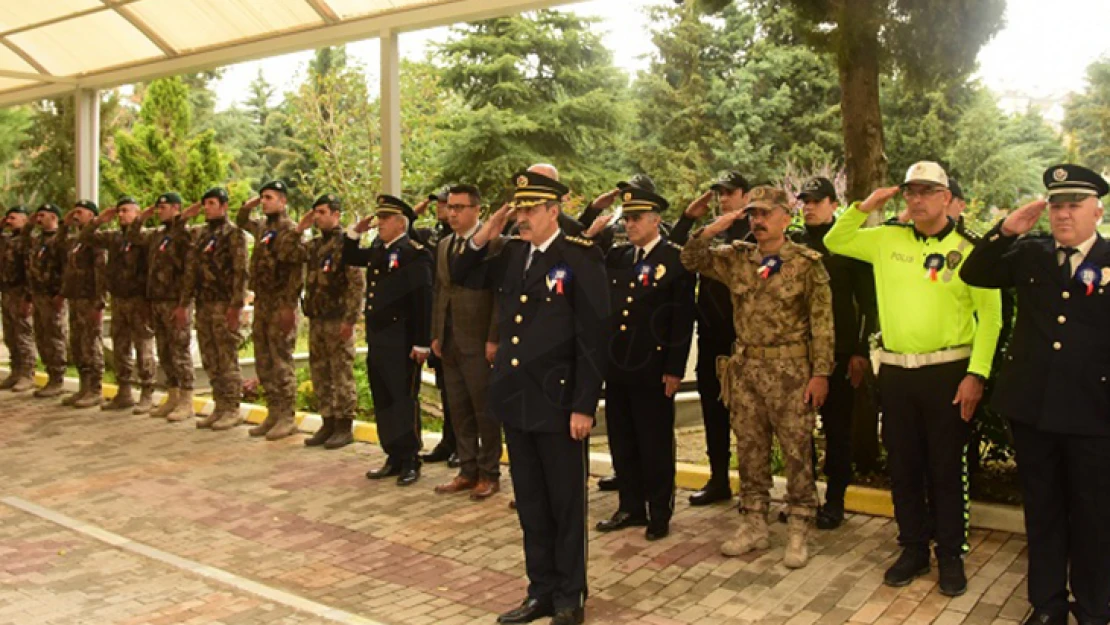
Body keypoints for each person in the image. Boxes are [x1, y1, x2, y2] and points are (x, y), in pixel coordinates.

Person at [824, 161, 1002, 596]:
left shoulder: (971, 249)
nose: (917, 199)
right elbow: (836, 239)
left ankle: (951, 555)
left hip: (949, 373)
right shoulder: (887, 239)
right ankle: (913, 549)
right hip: (899, 373)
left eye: (927, 191)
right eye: (911, 191)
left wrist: (976, 374)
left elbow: (992, 320)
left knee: (946, 468)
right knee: (903, 466)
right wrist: (866, 206)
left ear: (946, 197)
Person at [453, 170, 608, 625]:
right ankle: (539, 590)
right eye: (517, 208)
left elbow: (594, 337)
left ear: (553, 211)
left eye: (529, 210)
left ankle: (569, 596)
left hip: (559, 404)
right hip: (517, 399)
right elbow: (463, 270)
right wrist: (493, 225)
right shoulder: (513, 253)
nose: (522, 217)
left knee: (565, 504)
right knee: (533, 504)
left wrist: (584, 404)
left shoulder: (580, 257)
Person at [960, 164, 1110, 625]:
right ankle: (1046, 606)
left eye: (1074, 205)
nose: (1064, 214)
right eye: (1057, 205)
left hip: (1093, 413)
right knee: (1042, 512)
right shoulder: (1031, 254)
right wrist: (1005, 230)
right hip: (1033, 409)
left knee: (1093, 517)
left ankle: (1093, 607)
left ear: (1097, 210)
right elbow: (975, 273)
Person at [681, 185, 834, 568]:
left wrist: (822, 374)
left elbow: (823, 325)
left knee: (797, 450)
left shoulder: (805, 262)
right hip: (747, 369)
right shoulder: (738, 259)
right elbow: (689, 258)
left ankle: (799, 525)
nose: (758, 221)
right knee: (749, 448)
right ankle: (754, 523)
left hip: (791, 371)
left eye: (765, 213)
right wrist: (713, 228)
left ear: (786, 217)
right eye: (753, 215)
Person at [591, 185, 695, 542]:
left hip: (653, 368)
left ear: (656, 219)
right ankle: (630, 506)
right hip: (619, 366)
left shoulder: (674, 259)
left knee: (654, 443)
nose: (630, 224)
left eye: (636, 218)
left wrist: (674, 369)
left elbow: (681, 320)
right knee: (623, 441)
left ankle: (659, 511)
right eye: (627, 218)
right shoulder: (619, 257)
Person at [795, 177, 879, 529]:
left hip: (840, 351)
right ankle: (803, 497)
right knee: (796, 430)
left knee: (837, 429)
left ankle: (835, 500)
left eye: (816, 201)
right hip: (798, 351)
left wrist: (860, 351)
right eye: (805, 201)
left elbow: (868, 302)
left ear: (833, 203)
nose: (809, 207)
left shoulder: (848, 245)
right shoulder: (794, 242)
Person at [670, 171, 753, 505]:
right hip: (710, 337)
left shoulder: (754, 231)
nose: (723, 199)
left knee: (749, 417)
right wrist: (691, 219)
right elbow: (675, 254)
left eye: (730, 193)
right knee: (713, 410)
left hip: (743, 340)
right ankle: (719, 478)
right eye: (719, 193)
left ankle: (753, 485)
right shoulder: (708, 235)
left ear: (746, 196)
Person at [343, 194, 432, 487]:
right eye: (378, 218)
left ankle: (410, 458)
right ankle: (392, 454)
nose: (379, 223)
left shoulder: (414, 252)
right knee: (383, 398)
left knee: (403, 399)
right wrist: (355, 232)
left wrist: (422, 342)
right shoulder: (381, 248)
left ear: (399, 222)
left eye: (384, 218)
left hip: (403, 341)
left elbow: (422, 301)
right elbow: (351, 256)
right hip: (379, 339)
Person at [430, 183, 503, 500]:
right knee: (458, 409)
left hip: (478, 341)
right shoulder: (445, 244)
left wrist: (493, 338)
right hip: (450, 341)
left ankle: (489, 473)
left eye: (460, 207)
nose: (453, 213)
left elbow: (499, 298)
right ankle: (467, 469)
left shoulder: (495, 245)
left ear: (477, 210)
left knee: (484, 410)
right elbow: (440, 292)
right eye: (450, 207)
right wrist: (436, 333)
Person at [236, 180, 305, 440]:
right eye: (262, 197)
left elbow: (297, 271)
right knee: (263, 360)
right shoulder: (264, 226)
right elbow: (242, 221)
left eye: (269, 197)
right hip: (263, 302)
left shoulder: (290, 229)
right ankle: (273, 412)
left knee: (280, 360)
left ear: (283, 201)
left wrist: (289, 305)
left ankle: (287, 416)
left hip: (280, 304)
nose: (264, 202)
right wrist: (248, 205)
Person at [177, 187, 250, 431]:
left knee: (226, 356)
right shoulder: (201, 234)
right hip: (204, 303)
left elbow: (241, 272)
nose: (207, 207)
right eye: (205, 203)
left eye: (211, 203)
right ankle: (219, 405)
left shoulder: (234, 234)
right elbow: (189, 265)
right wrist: (184, 302)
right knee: (210, 356)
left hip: (223, 303)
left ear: (224, 206)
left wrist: (236, 306)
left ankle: (232, 408)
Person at [297, 194, 365, 449]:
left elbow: (356, 285)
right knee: (320, 372)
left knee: (341, 372)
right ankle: (327, 421)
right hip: (317, 319)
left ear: (336, 214)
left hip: (338, 319)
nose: (317, 217)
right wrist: (298, 230)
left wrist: (351, 320)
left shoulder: (345, 244)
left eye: (323, 212)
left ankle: (344, 425)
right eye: (315, 212)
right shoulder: (313, 246)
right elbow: (288, 253)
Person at [81, 197, 156, 413]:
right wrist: (98, 221)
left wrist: (140, 221)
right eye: (119, 211)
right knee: (120, 346)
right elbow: (85, 238)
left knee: (143, 346)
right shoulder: (113, 237)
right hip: (119, 299)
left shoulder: (145, 236)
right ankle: (124, 391)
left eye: (126, 211)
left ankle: (147, 392)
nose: (121, 215)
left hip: (139, 299)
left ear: (137, 212)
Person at [131, 193, 198, 421]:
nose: (159, 211)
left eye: (164, 207)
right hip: (157, 300)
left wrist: (184, 304)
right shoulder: (157, 235)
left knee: (179, 351)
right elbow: (133, 237)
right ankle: (173, 395)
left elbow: (189, 271)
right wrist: (142, 217)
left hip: (175, 301)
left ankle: (187, 400)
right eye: (157, 207)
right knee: (165, 351)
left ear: (177, 208)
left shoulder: (185, 234)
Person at [418, 185, 459, 468]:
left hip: (460, 328)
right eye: (439, 205)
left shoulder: (461, 239)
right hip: (440, 324)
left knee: (462, 395)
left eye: (445, 204)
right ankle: (448, 442)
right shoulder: (434, 236)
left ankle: (462, 445)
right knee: (446, 389)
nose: (440, 209)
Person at [60, 200, 107, 409]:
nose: (77, 215)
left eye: (81, 212)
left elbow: (101, 272)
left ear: (92, 216)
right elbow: (56, 244)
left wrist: (99, 302)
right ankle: (84, 386)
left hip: (89, 299)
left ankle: (95, 389)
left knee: (91, 343)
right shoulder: (75, 240)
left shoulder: (96, 241)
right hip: (75, 298)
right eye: (76, 211)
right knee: (78, 343)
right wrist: (65, 223)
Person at [25, 204, 67, 398]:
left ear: (54, 217)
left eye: (43, 215)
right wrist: (29, 223)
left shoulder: (60, 239)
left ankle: (57, 378)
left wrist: (61, 293)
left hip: (53, 295)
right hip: (38, 294)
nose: (39, 219)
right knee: (41, 336)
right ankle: (50, 374)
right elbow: (22, 240)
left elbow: (66, 269)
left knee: (54, 336)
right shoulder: (37, 240)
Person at [0, 206, 35, 392]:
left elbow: (30, 270)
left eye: (13, 218)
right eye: (7, 218)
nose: (8, 221)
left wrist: (28, 297)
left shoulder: (27, 241)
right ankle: (16, 370)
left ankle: (27, 373)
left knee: (23, 334)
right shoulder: (7, 240)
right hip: (6, 291)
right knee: (10, 335)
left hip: (20, 291)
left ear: (24, 219)